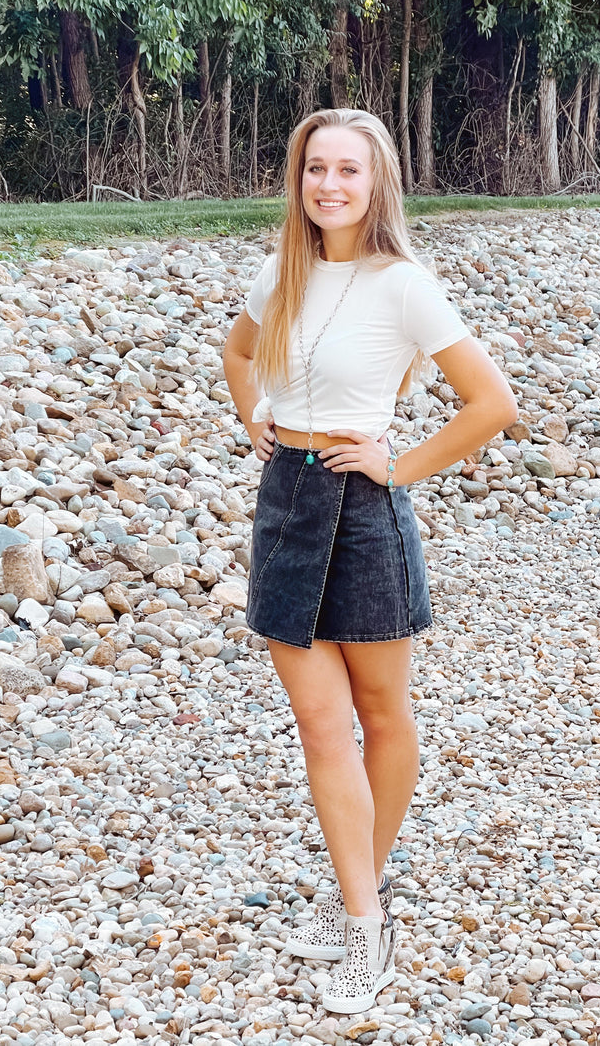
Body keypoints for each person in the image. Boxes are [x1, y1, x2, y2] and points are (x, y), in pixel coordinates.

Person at [223, 108, 517, 1015]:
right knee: (321, 727)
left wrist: (399, 465)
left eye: (348, 169)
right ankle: (362, 915)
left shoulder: (405, 286)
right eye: (316, 168)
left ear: (377, 180)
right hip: (286, 504)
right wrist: (254, 416)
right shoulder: (282, 271)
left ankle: (363, 901)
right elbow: (237, 352)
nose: (330, 185)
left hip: (364, 509)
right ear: (299, 178)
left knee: (382, 716)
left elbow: (492, 402)